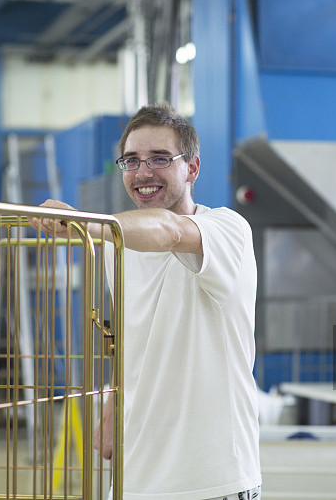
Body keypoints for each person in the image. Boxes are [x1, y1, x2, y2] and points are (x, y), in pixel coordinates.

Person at [36, 103, 261, 500]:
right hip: (132, 479)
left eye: (160, 159)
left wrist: (87, 223)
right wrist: (112, 406)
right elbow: (133, 336)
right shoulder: (115, 246)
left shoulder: (226, 230)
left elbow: (170, 230)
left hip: (209, 480)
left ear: (191, 169)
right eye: (131, 161)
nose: (143, 173)